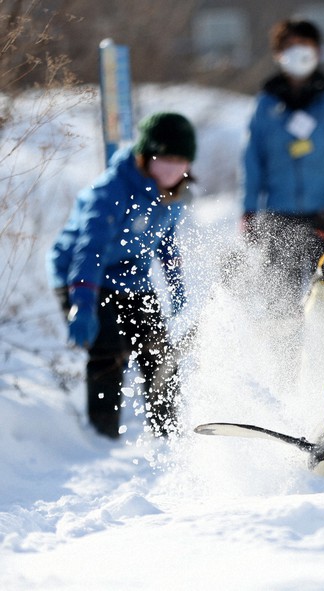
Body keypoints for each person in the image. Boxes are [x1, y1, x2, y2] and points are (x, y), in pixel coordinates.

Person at [47, 112, 196, 439]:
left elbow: (167, 242)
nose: (172, 167)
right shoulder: (111, 190)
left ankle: (168, 434)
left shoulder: (174, 195)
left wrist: (176, 286)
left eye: (180, 160)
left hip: (131, 278)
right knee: (109, 351)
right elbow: (90, 250)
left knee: (159, 352)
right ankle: (102, 437)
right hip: (83, 275)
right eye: (165, 158)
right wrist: (82, 304)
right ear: (146, 156)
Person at [241, 19, 324, 302]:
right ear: (278, 54)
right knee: (280, 304)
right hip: (280, 218)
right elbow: (252, 161)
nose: (298, 51)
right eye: (290, 46)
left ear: (318, 51)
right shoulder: (264, 107)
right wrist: (248, 209)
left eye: (304, 44)